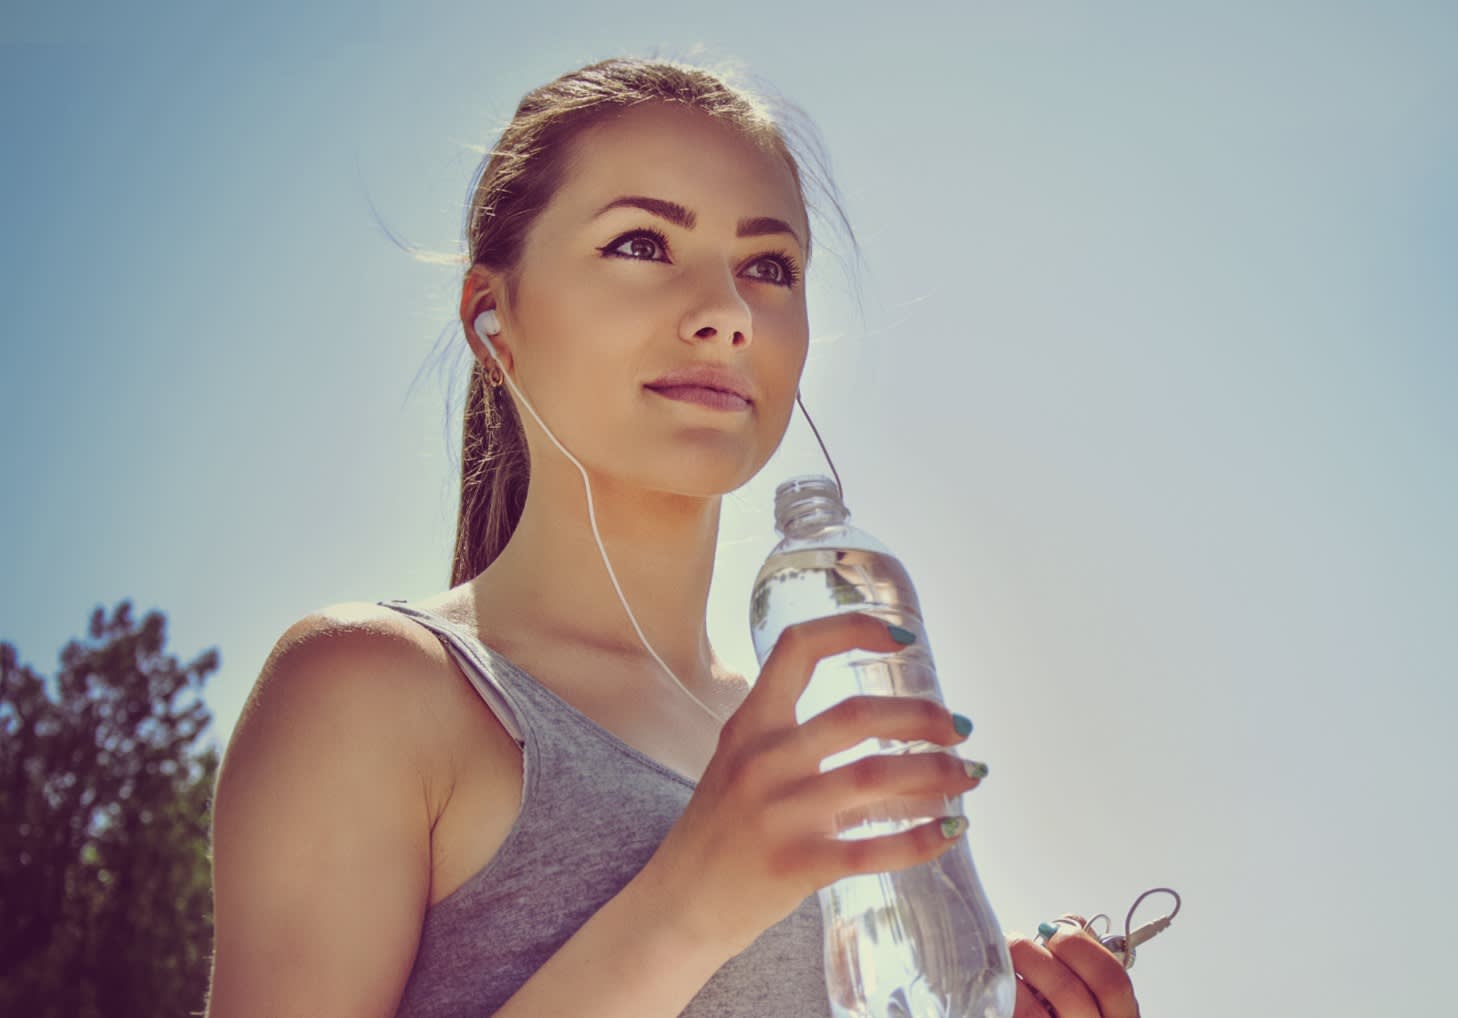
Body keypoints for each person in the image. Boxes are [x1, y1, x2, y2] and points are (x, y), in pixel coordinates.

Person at [203, 56, 1142, 1017]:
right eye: (642, 244)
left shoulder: (810, 750)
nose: (728, 315)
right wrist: (688, 906)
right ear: (493, 317)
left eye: (769, 268)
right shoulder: (371, 690)